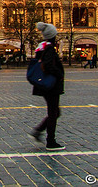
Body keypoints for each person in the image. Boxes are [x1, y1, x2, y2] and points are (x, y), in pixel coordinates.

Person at [29, 22, 66, 151]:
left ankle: (39, 131)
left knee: (55, 111)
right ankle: (50, 141)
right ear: (53, 35)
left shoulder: (41, 47)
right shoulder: (49, 48)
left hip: (43, 84)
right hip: (51, 84)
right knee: (53, 112)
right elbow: (49, 65)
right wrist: (59, 74)